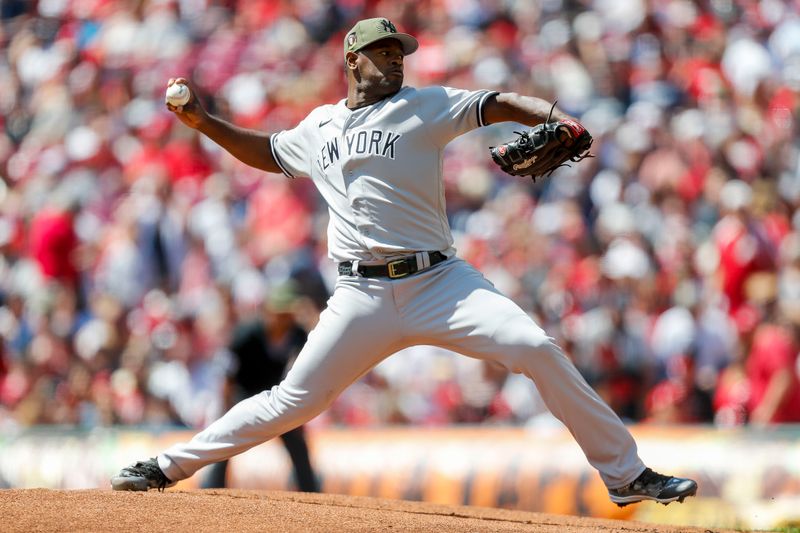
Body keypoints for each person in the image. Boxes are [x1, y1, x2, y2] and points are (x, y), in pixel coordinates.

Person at [112, 17, 697, 507]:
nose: (396, 62)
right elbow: (268, 151)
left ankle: (626, 476)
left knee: (535, 348)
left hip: (440, 280)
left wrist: (553, 115)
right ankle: (166, 466)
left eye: (400, 53)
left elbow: (494, 104)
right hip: (360, 297)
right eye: (383, 52)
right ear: (352, 59)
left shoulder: (426, 105)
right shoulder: (320, 125)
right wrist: (204, 123)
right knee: (292, 401)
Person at [201, 281, 320, 492]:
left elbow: (301, 369)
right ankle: (212, 487)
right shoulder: (245, 334)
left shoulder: (298, 335)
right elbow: (228, 374)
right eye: (280, 313)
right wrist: (226, 407)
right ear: (268, 311)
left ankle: (309, 489)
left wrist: (298, 411)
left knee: (297, 441)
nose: (285, 319)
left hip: (275, 394)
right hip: (243, 394)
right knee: (226, 436)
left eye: (288, 313)